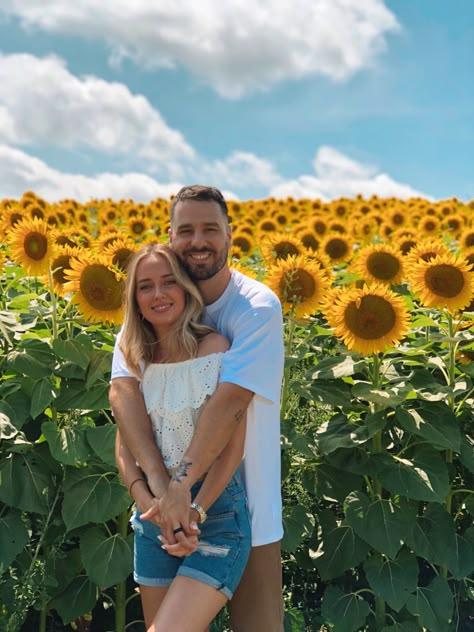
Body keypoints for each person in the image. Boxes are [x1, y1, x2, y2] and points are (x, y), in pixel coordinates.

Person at [110, 185, 285, 631]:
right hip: (163, 514)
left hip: (243, 510)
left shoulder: (255, 308)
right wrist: (155, 496)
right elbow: (125, 404)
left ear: (231, 233)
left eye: (210, 228)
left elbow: (229, 409)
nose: (199, 240)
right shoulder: (145, 324)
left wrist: (182, 497)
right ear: (170, 237)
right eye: (186, 230)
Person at [115, 242, 251, 631]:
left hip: (216, 516)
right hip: (152, 523)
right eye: (145, 286)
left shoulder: (216, 348)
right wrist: (153, 509)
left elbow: (231, 447)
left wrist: (194, 512)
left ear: (186, 289)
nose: (158, 294)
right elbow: (125, 450)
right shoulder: (133, 359)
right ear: (135, 299)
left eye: (168, 282)